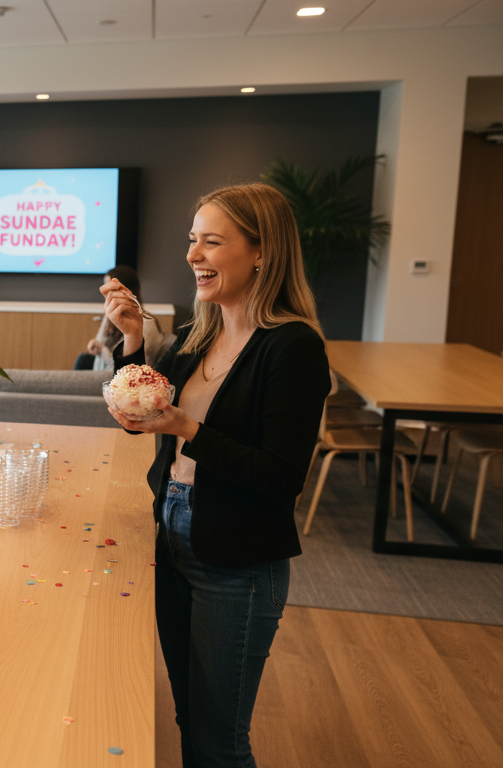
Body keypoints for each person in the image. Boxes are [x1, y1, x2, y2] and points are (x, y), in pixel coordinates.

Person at [102, 183, 329, 768]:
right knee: (188, 717)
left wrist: (189, 429)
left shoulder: (292, 347)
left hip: (238, 562)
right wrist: (130, 342)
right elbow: (141, 418)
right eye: (191, 240)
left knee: (218, 739)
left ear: (261, 252)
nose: (192, 255)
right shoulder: (193, 337)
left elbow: (282, 476)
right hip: (174, 538)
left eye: (211, 241)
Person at [75, 265, 167, 370]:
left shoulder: (146, 326)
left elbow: (130, 369)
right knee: (83, 359)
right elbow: (100, 341)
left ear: (125, 291)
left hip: (118, 373)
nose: (106, 295)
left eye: (110, 289)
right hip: (104, 365)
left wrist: (101, 349)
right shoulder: (113, 314)